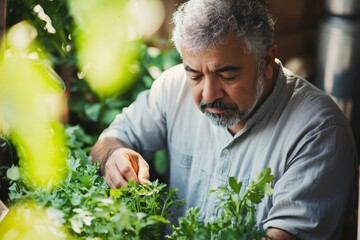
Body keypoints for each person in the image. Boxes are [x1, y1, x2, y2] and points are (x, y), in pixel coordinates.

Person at [90, 0, 358, 239]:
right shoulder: (173, 87)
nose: (208, 94)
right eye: (194, 75)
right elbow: (107, 142)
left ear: (267, 60)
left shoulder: (319, 131)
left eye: (227, 76)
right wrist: (114, 155)